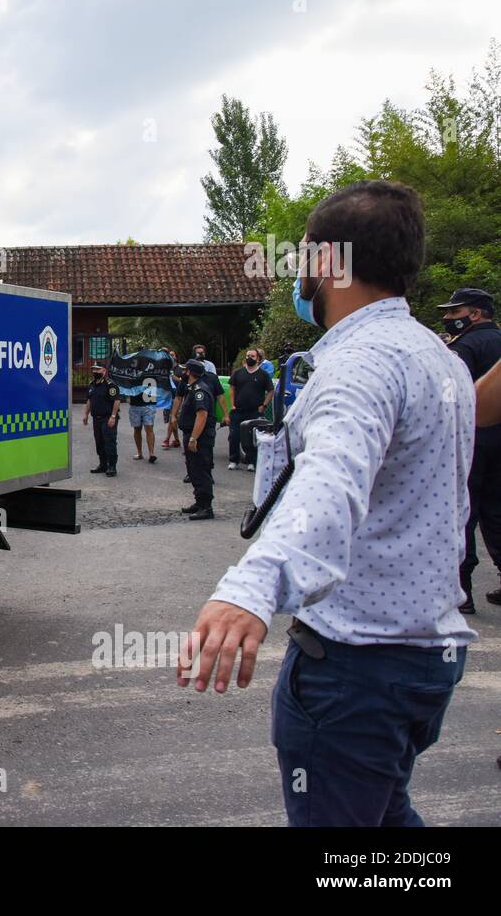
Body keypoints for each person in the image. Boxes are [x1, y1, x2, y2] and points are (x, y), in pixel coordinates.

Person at [177, 180, 476, 827]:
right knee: (388, 812)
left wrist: (252, 587)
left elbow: (332, 477)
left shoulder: (360, 366)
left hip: (358, 672)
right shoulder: (439, 360)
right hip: (428, 660)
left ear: (326, 263)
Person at [440, 287, 501, 614]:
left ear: (474, 314)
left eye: (454, 312)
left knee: (464, 511)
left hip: (471, 439)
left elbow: (451, 398)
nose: (448, 318)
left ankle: (462, 590)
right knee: (496, 511)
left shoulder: (463, 349)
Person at [178, 358, 215, 519]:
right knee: (193, 470)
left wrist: (194, 438)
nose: (182, 373)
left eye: (185, 370)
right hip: (191, 434)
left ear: (190, 372)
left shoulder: (199, 390)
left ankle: (206, 507)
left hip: (200, 438)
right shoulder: (191, 388)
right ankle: (199, 502)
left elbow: (202, 415)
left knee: (201, 471)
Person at [227, 347, 274, 472]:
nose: (249, 358)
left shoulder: (263, 375)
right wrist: (232, 405)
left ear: (258, 359)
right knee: (234, 436)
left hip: (254, 411)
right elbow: (232, 388)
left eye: (252, 356)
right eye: (248, 355)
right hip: (238, 411)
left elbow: (270, 391)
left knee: (251, 437)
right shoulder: (238, 373)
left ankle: (252, 462)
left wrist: (264, 405)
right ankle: (233, 460)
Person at [82, 363, 121, 476]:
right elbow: (89, 400)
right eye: (93, 369)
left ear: (104, 371)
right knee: (99, 442)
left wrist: (113, 416)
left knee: (109, 442)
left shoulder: (110, 385)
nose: (95, 371)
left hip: (108, 418)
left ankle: (112, 466)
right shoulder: (92, 384)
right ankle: (103, 465)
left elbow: (117, 400)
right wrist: (86, 414)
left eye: (97, 369)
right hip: (96, 418)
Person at [162, 348, 182, 448]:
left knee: (172, 418)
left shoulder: (181, 369)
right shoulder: (164, 369)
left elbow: (184, 382)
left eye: (173, 354)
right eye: (170, 354)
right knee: (171, 420)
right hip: (167, 398)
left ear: (176, 357)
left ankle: (167, 440)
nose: (171, 356)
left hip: (177, 398)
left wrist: (173, 376)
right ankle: (177, 440)